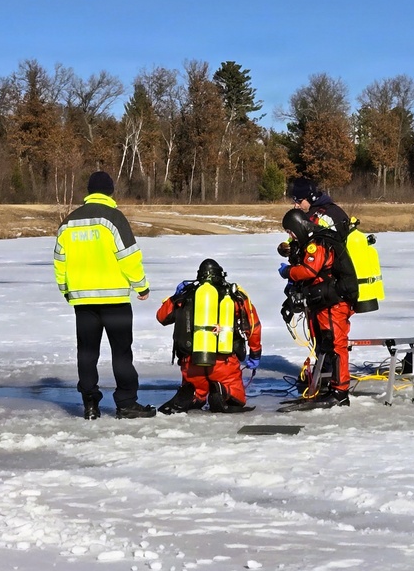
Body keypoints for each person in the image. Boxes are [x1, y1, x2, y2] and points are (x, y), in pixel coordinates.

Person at [54, 171, 156, 420]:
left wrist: (66, 290)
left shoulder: (69, 222)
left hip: (83, 302)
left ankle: (90, 404)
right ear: (110, 191)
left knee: (87, 354)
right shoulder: (113, 218)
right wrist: (141, 286)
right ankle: (126, 403)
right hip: (115, 301)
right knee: (121, 354)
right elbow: (129, 256)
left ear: (89, 192)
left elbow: (59, 261)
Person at [155, 259, 262, 414]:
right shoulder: (233, 296)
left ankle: (192, 393)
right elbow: (253, 326)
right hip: (223, 362)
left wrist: (175, 297)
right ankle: (222, 392)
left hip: (191, 362)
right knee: (236, 398)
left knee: (196, 391)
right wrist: (255, 352)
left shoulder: (187, 294)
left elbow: (162, 317)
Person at [279, 208, 357, 409]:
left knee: (335, 344)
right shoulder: (310, 242)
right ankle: (328, 386)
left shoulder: (318, 243)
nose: (290, 236)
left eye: (290, 231)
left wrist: (288, 271)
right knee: (324, 344)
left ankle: (340, 392)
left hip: (333, 304)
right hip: (323, 302)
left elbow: (309, 270)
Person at [278, 178, 350, 259]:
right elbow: (298, 235)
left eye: (299, 201)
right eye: (295, 202)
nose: (296, 206)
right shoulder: (311, 212)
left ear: (311, 198)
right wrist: (287, 246)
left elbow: (332, 251)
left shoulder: (325, 216)